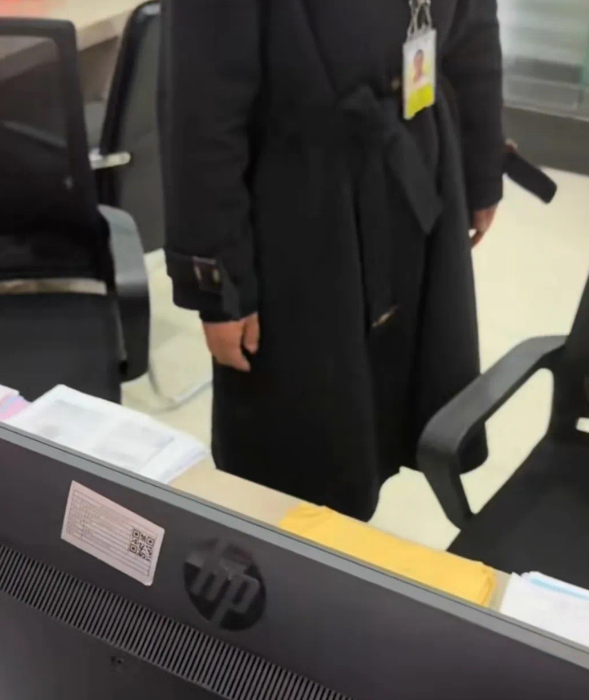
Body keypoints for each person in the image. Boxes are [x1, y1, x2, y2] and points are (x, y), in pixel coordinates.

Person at [159, 0, 503, 522]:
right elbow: (202, 104)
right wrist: (217, 281)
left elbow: (474, 28)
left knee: (401, 399)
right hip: (299, 208)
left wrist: (482, 167)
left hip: (417, 162)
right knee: (304, 459)